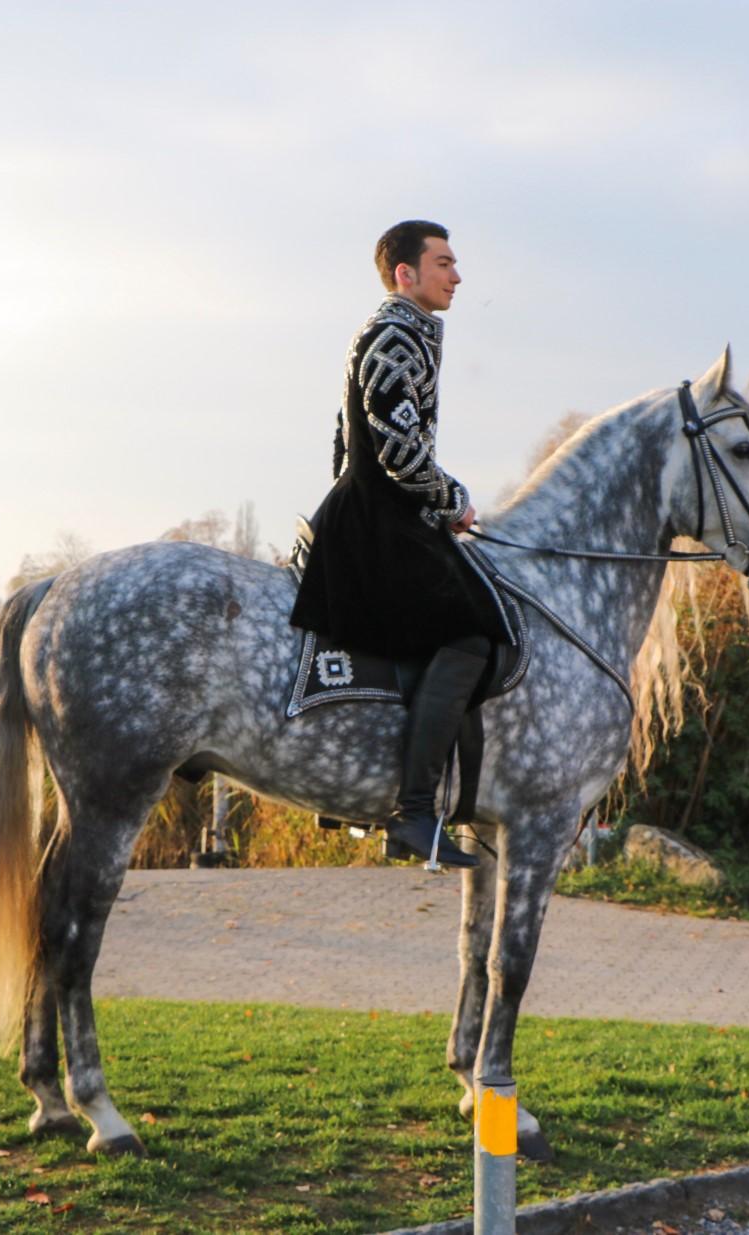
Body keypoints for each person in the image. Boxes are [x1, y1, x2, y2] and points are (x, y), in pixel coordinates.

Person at [290, 221, 513, 868]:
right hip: (378, 521)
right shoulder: (395, 335)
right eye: (444, 262)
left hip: (381, 515)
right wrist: (451, 500)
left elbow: (346, 441)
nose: (458, 275)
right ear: (405, 274)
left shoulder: (401, 333)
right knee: (470, 635)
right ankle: (414, 812)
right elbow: (396, 449)